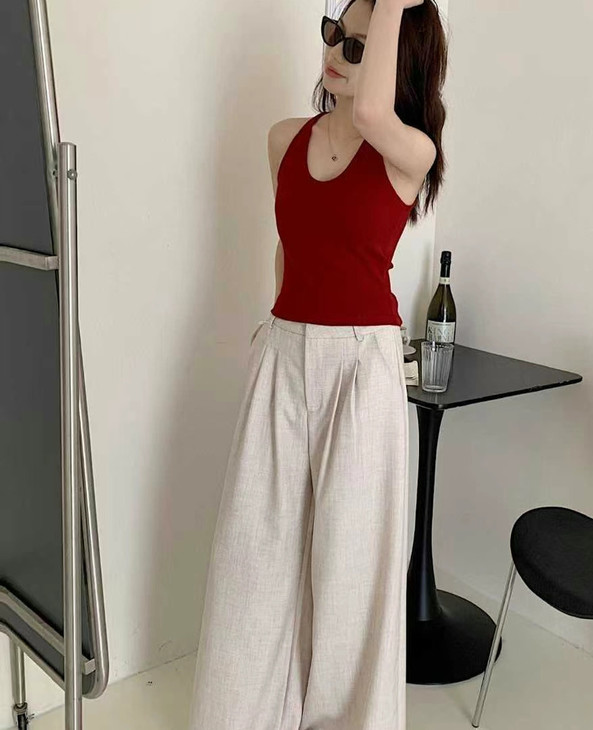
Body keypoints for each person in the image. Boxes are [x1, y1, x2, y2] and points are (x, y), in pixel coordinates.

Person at [188, 0, 447, 727]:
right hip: (282, 355)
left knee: (351, 577)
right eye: (335, 33)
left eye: (360, 45)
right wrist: (276, 331)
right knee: (252, 558)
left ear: (396, 60)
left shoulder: (409, 154)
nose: (336, 51)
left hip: (362, 369)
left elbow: (369, 112)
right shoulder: (283, 139)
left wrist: (392, 3)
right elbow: (289, 247)